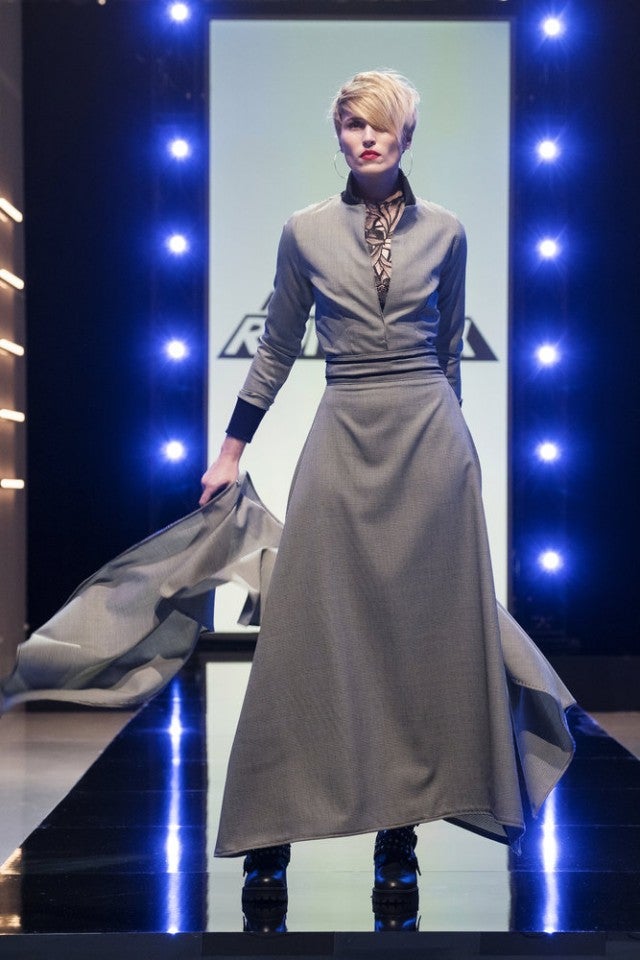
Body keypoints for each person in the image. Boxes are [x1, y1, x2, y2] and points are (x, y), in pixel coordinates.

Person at [199, 70, 574, 913]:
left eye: (380, 126)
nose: (366, 138)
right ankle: (268, 832)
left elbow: (448, 351)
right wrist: (230, 450)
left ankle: (398, 837)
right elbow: (277, 345)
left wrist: (458, 449)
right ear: (338, 134)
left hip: (432, 445)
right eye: (353, 125)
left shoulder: (449, 232)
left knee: (418, 646)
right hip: (344, 429)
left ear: (404, 135)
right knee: (302, 638)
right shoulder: (303, 231)